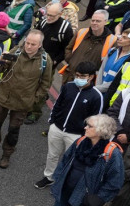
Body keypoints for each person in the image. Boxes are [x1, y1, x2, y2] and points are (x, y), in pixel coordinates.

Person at [0, 30, 52, 168]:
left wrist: (34, 100)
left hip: (22, 103)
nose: (28, 46)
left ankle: (6, 154)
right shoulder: (15, 51)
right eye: (27, 43)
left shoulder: (45, 60)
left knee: (13, 131)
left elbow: (46, 83)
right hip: (3, 97)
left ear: (40, 45)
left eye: (33, 44)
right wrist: (1, 61)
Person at [34, 60, 105, 189]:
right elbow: (58, 105)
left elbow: (95, 120)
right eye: (77, 75)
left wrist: (85, 137)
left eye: (83, 76)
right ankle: (49, 177)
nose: (79, 78)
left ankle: (62, 182)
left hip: (76, 135)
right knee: (52, 155)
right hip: (57, 128)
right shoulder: (68, 87)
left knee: (71, 160)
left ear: (91, 77)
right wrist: (52, 122)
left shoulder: (96, 96)